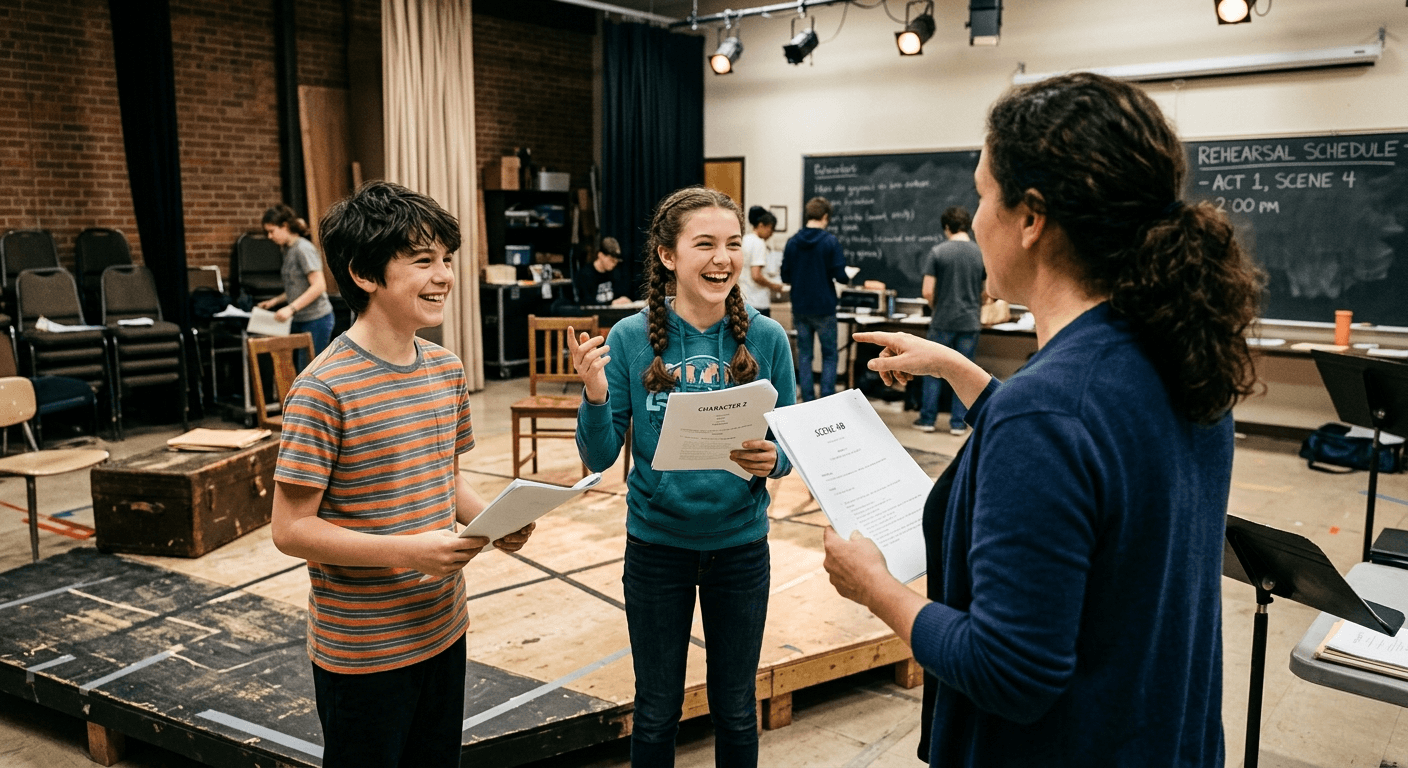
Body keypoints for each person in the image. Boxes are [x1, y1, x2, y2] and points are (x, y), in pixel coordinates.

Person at [822, 72, 1263, 767]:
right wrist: (962, 373)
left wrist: (874, 587)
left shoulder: (1048, 411)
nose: (974, 218)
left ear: (1030, 218)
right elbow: (1097, 460)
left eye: (981, 194)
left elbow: (1010, 670)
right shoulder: (1178, 354)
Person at [270, 182, 535, 768]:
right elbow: (290, 531)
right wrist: (408, 552)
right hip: (363, 649)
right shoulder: (322, 388)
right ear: (364, 273)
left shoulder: (445, 369)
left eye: (447, 259)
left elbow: (447, 480)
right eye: (422, 261)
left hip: (444, 627)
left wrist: (493, 521)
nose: (443, 275)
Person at [569, 186, 797, 767]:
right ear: (668, 256)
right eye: (705, 244)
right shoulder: (627, 338)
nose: (723, 258)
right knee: (655, 711)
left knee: (737, 710)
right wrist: (595, 397)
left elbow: (791, 447)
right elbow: (598, 459)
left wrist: (775, 460)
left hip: (741, 550)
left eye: (732, 244)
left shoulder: (767, 339)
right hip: (656, 550)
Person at [914, 207, 985, 435]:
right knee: (963, 373)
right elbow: (988, 292)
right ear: (966, 225)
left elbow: (927, 291)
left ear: (946, 227)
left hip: (942, 321)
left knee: (933, 370)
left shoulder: (937, 252)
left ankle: (927, 420)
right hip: (969, 322)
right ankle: (957, 423)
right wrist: (975, 304)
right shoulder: (980, 254)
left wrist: (938, 307)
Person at [781, 196, 850, 401]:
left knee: (804, 354)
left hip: (800, 306)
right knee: (829, 354)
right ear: (825, 217)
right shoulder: (830, 242)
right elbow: (841, 276)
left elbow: (785, 276)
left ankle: (808, 398)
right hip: (824, 306)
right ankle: (827, 396)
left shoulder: (793, 242)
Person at [258, 204, 336, 358]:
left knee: (307, 373)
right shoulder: (287, 249)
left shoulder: (303, 249)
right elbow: (297, 286)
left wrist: (290, 309)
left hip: (316, 320)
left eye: (271, 231)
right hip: (300, 319)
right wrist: (274, 302)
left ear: (285, 226)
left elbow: (319, 286)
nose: (269, 237)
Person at [739, 206, 782, 317]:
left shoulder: (744, 240)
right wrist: (773, 286)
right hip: (757, 302)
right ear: (761, 225)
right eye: (770, 229)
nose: (771, 233)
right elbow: (756, 275)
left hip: (743, 299)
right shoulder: (758, 243)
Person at [573, 236, 632, 307]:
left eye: (616, 261)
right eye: (611, 260)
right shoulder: (585, 275)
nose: (614, 264)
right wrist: (611, 304)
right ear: (600, 255)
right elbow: (586, 303)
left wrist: (623, 300)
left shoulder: (615, 273)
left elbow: (620, 293)